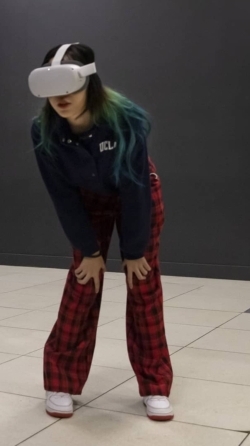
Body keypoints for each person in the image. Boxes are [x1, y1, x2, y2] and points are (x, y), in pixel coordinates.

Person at [29, 43, 173, 421]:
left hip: (135, 193)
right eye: (51, 88)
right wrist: (90, 252)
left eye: (69, 87)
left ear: (88, 83)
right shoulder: (43, 131)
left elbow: (136, 187)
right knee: (82, 284)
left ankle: (156, 385)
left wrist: (134, 249)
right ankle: (60, 381)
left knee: (142, 285)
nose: (60, 98)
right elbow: (62, 196)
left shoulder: (125, 119)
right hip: (85, 201)